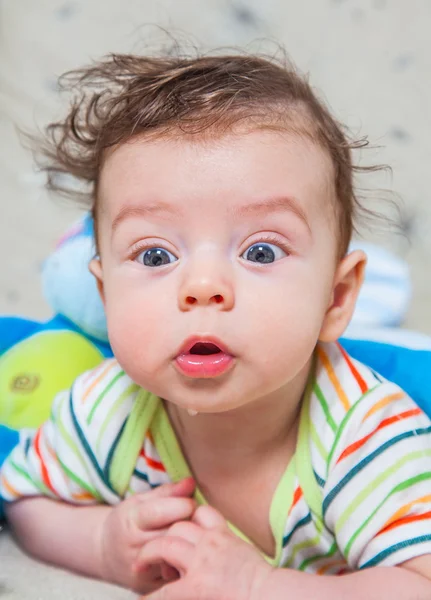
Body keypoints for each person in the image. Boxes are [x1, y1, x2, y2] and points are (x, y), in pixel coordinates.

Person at [2, 51, 431, 600]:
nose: (202, 286)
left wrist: (261, 586)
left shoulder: (365, 435)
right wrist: (103, 543)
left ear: (336, 297)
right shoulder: (107, 408)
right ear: (106, 295)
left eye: (260, 250)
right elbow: (24, 498)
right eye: (155, 256)